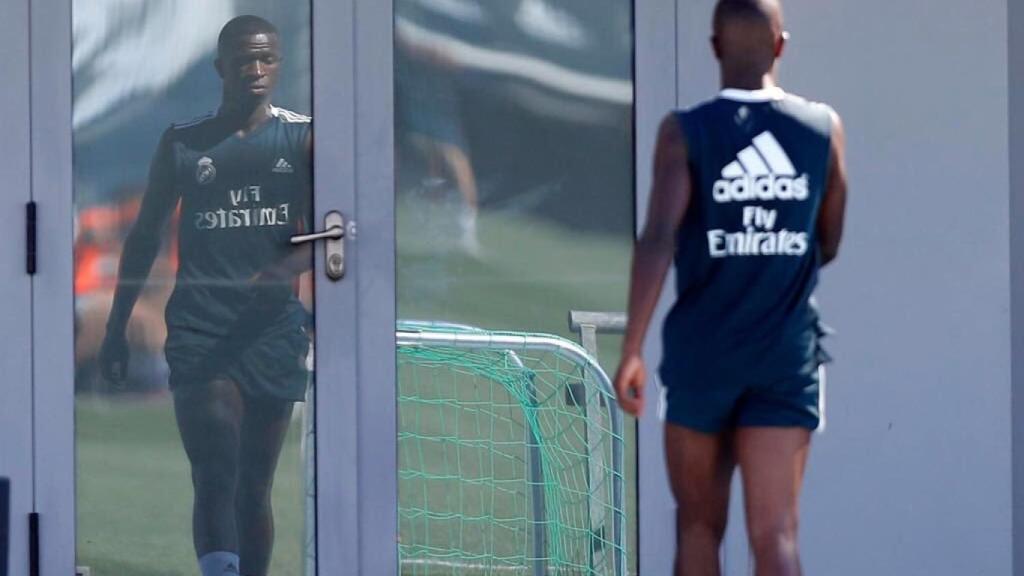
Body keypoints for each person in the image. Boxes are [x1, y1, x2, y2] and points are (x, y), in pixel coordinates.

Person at [613, 0, 847, 574]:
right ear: (781, 45)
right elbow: (829, 240)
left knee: (697, 528)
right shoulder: (822, 130)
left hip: (702, 358)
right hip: (784, 358)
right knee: (778, 535)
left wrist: (632, 349)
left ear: (714, 47)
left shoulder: (686, 132)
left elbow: (658, 237)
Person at [99, 15, 313, 576]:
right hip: (200, 330)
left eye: (267, 59)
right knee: (216, 462)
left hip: (271, 332)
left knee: (253, 485)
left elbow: (335, 229)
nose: (257, 70)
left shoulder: (304, 136)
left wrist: (285, 266)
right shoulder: (184, 142)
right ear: (222, 68)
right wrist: (116, 326)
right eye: (245, 60)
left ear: (279, 64)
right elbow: (145, 236)